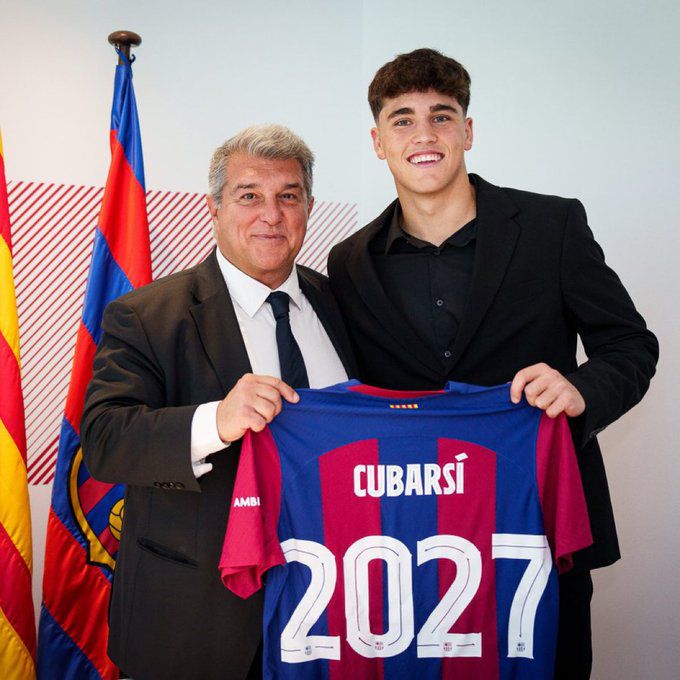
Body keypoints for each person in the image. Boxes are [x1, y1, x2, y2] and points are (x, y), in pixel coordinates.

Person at [327, 48, 658, 678]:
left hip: (543, 521)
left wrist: (581, 390)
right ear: (378, 142)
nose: (424, 135)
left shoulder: (552, 225)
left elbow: (631, 345)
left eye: (441, 116)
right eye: (402, 120)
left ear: (468, 131)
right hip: (411, 539)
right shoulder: (349, 261)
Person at [82, 124, 356, 680]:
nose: (271, 215)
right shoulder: (147, 315)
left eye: (288, 196)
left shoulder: (344, 304)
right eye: (249, 195)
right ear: (214, 206)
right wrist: (216, 421)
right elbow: (105, 440)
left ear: (308, 207)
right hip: (197, 623)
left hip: (334, 613)